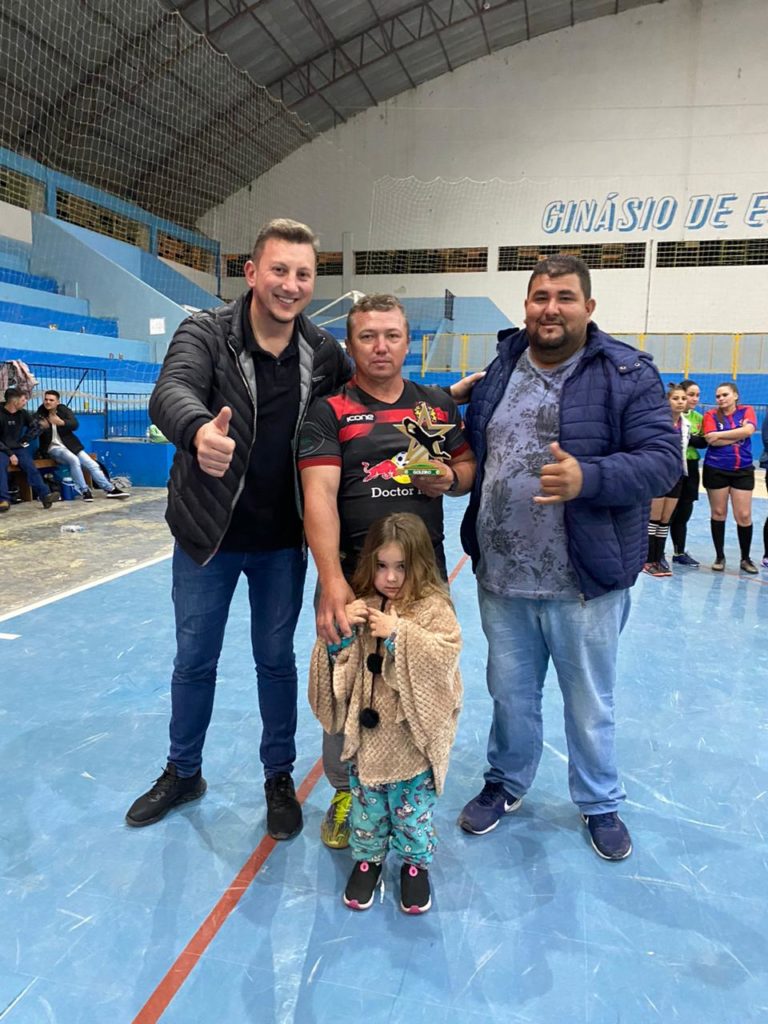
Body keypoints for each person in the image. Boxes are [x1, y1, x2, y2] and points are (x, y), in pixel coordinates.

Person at [125, 218, 354, 839]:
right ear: (252, 273)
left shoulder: (322, 352)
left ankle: (278, 777)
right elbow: (170, 390)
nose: (290, 284)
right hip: (208, 538)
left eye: (303, 274)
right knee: (195, 659)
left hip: (281, 543)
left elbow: (359, 406)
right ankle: (183, 771)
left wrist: (437, 403)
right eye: (279, 270)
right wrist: (198, 430)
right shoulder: (206, 332)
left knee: (275, 662)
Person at [457, 254, 680, 861]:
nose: (550, 308)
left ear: (589, 307)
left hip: (585, 580)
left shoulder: (627, 372)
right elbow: (478, 451)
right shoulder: (501, 367)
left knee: (588, 704)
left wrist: (590, 478)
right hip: (501, 577)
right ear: (526, 305)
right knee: (510, 696)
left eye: (564, 297)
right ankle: (506, 782)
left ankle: (600, 801)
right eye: (540, 297)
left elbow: (664, 461)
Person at [298, 293, 476, 850]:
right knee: (345, 689)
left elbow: (467, 466)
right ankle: (344, 791)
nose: (381, 346)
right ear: (350, 344)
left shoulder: (436, 407)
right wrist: (332, 581)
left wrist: (451, 479)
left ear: (407, 342)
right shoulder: (329, 411)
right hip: (352, 583)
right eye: (368, 336)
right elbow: (318, 497)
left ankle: (414, 793)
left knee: (422, 684)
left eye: (392, 335)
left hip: (424, 584)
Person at [308, 513, 462, 914]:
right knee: (368, 812)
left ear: (420, 564)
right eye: (381, 565)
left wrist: (399, 634)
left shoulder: (433, 609)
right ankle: (368, 860)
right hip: (368, 746)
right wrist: (339, 637)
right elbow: (339, 668)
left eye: (401, 567)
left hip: (412, 749)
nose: (390, 577)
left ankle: (414, 865)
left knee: (413, 816)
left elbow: (443, 661)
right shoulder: (362, 606)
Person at [702, 381, 758, 574]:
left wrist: (721, 435)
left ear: (735, 395)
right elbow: (711, 440)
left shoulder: (746, 411)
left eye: (725, 394)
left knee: (744, 515)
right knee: (718, 513)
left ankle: (745, 558)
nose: (721, 399)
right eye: (718, 396)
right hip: (716, 468)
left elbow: (749, 431)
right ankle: (720, 556)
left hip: (742, 469)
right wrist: (739, 434)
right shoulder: (710, 415)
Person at [35, 390, 129, 501]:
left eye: (51, 400)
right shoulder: (40, 413)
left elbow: (75, 424)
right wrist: (40, 426)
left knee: (92, 464)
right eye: (46, 399)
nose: (48, 402)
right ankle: (85, 491)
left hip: (71, 446)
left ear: (57, 402)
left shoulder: (63, 410)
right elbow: (33, 428)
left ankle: (110, 489)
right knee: (74, 460)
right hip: (53, 448)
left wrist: (62, 422)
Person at [643, 384, 691, 578]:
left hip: (677, 475)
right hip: (658, 474)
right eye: (675, 398)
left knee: (665, 520)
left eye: (683, 399)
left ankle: (658, 559)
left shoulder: (686, 424)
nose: (680, 402)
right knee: (653, 519)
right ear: (667, 401)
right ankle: (647, 560)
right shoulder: (657, 422)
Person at [0, 387, 55, 512]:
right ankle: (3, 500)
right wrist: (10, 454)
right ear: (15, 401)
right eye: (23, 400)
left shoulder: (23, 413)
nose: (25, 402)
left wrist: (26, 439)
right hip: (2, 449)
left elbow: (36, 427)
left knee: (30, 466)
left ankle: (45, 495)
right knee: (1, 468)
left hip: (17, 448)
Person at [670, 378, 705, 566]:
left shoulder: (698, 418)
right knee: (665, 513)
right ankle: (655, 554)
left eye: (697, 395)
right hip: (672, 466)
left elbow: (703, 442)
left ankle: (679, 552)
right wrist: (689, 437)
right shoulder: (669, 416)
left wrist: (687, 437)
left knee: (684, 511)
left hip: (691, 467)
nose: (694, 399)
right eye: (691, 395)